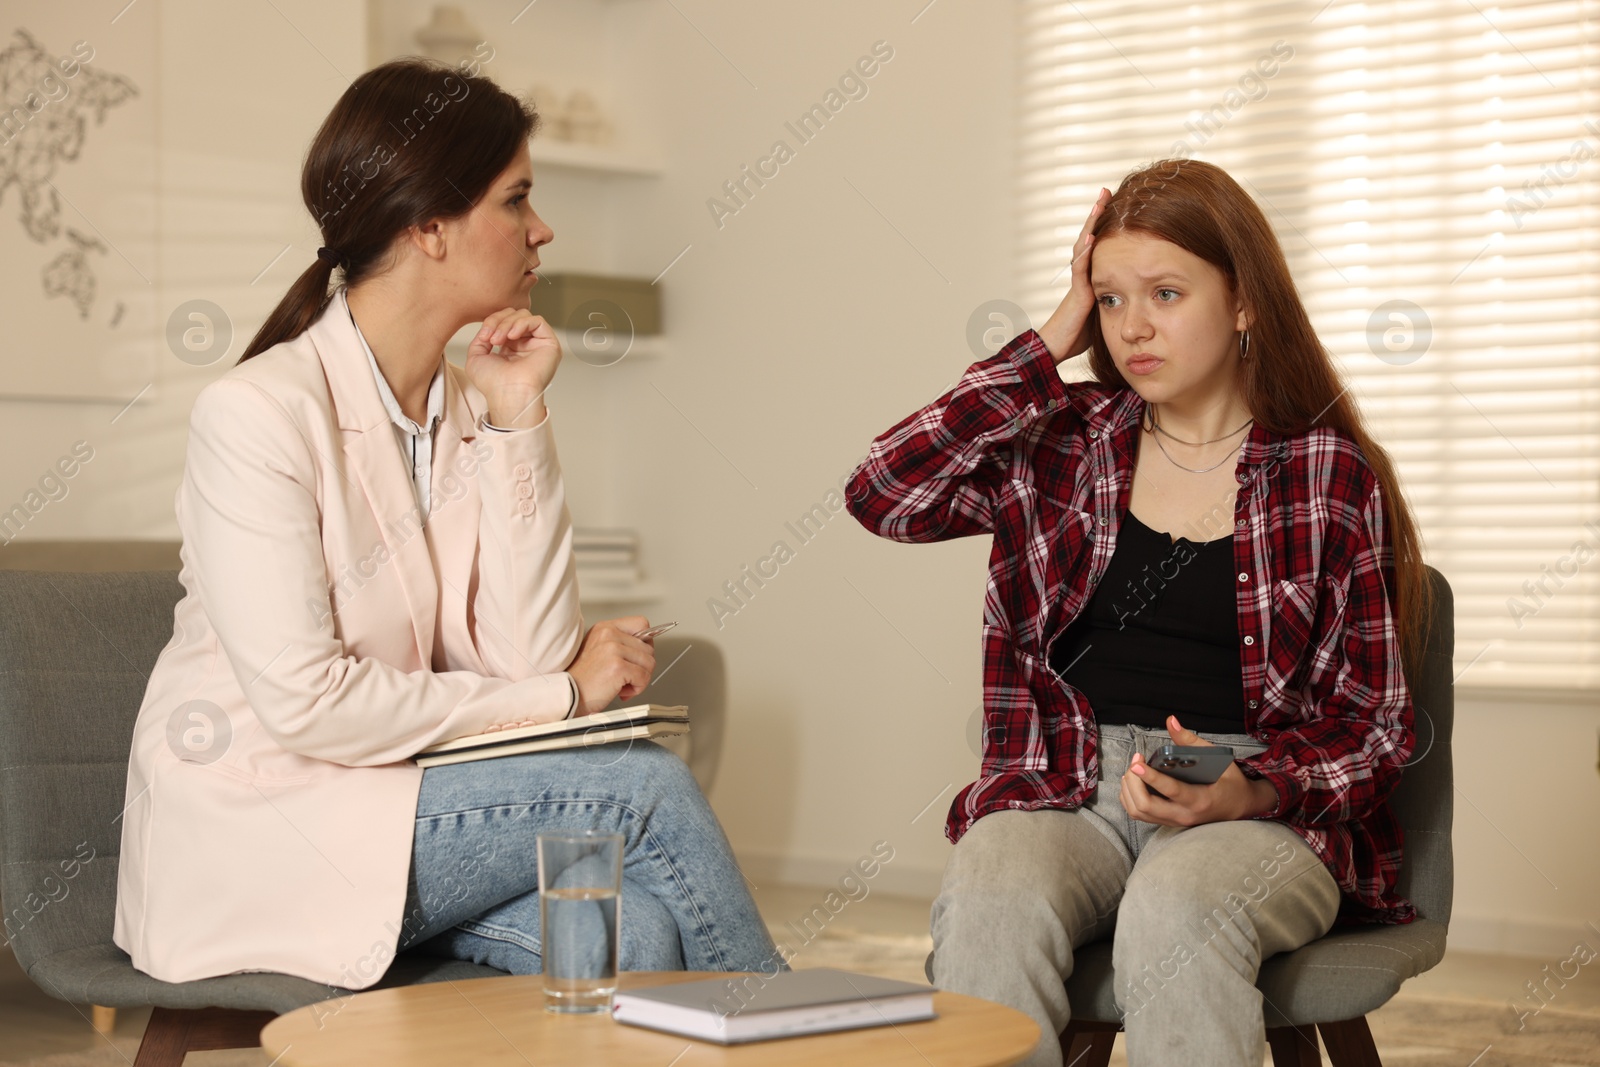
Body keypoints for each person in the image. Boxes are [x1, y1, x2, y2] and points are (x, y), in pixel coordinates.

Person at [113, 58, 779, 991]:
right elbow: (311, 702)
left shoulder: (466, 405)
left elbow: (528, 656)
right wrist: (567, 699)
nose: (542, 230)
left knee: (637, 930)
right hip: (267, 829)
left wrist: (516, 420)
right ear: (428, 225)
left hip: (388, 808)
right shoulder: (257, 414)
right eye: (516, 201)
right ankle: (809, 1040)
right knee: (642, 783)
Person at [844, 157, 1433, 1067]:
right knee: (990, 899)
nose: (1133, 328)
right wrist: (1046, 343)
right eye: (1110, 300)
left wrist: (1255, 787)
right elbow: (881, 492)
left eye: (1165, 292)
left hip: (1253, 806)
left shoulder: (1326, 471)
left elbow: (1377, 728)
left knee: (1175, 909)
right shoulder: (1063, 442)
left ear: (1243, 302)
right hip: (1062, 781)